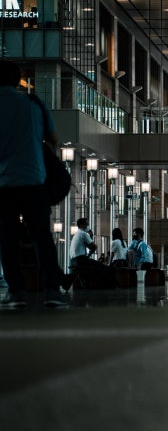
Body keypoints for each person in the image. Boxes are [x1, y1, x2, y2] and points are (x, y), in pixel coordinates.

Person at [0, 60, 68, 308]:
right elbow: (53, 139)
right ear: (18, 79)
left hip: (4, 182)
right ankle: (51, 289)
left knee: (7, 238)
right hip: (33, 179)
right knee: (41, 236)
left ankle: (17, 291)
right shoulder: (34, 103)